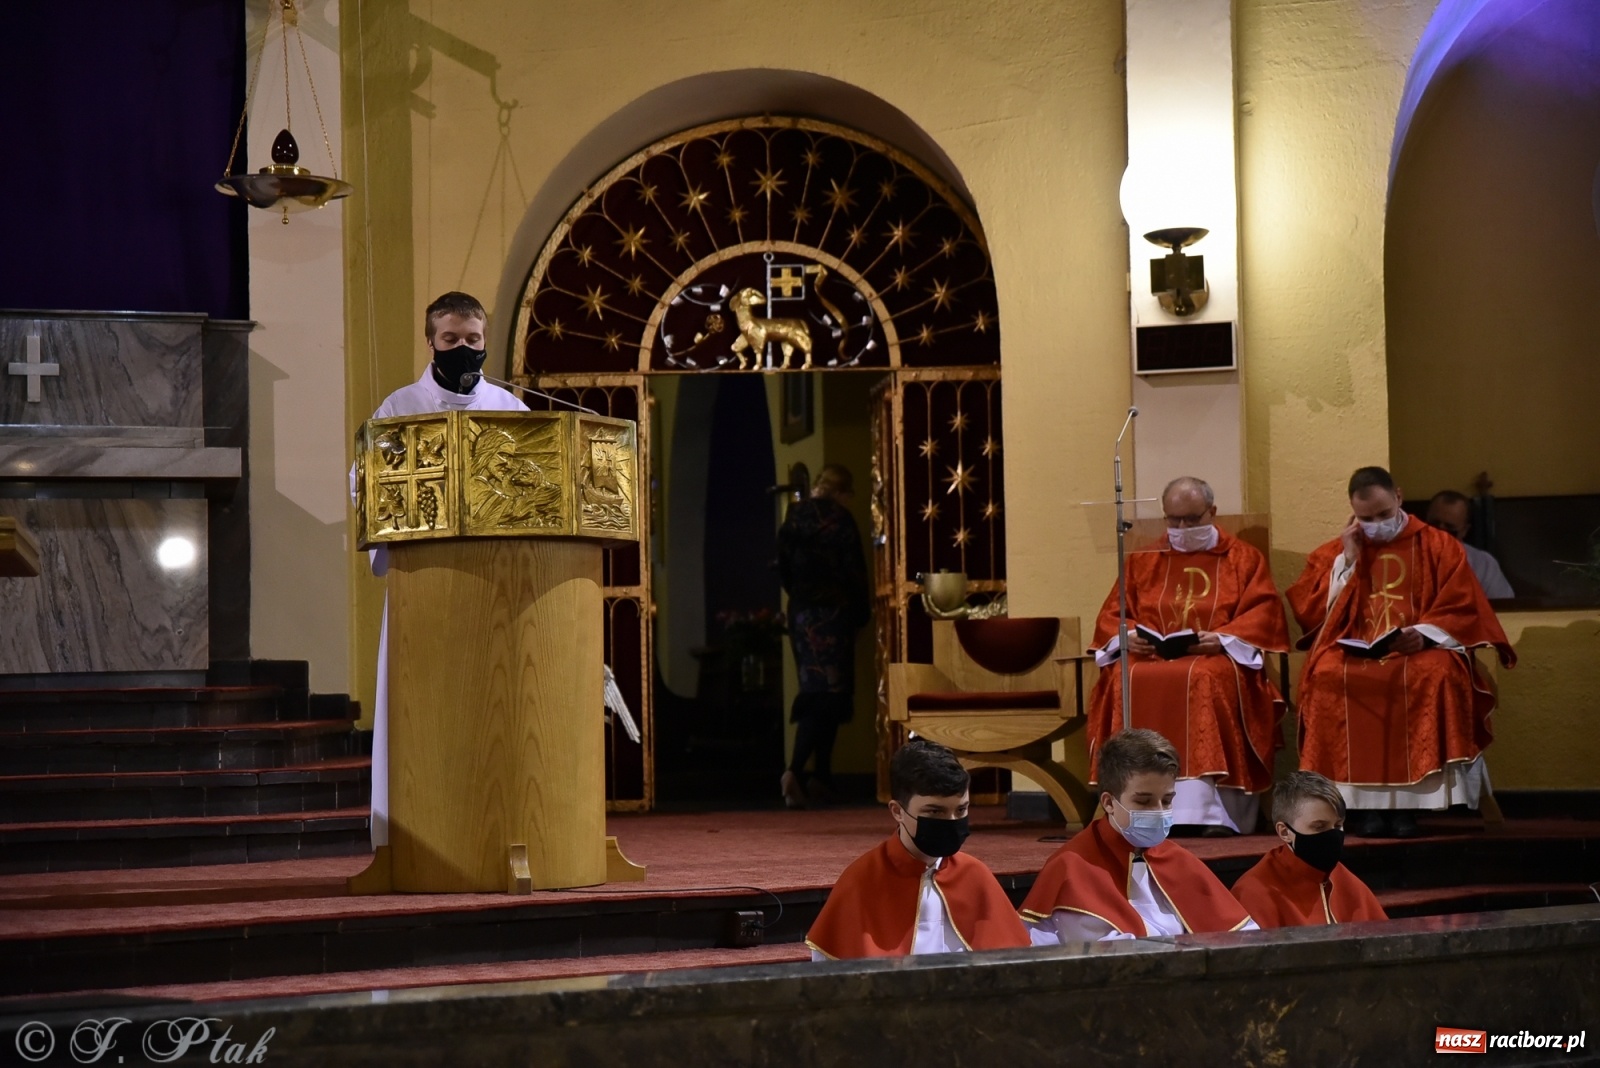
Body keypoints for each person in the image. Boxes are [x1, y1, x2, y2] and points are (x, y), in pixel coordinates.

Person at [350, 291, 527, 849]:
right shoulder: (399, 407)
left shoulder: (511, 409)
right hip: (422, 582)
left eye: (472, 340)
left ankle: (495, 827)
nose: (462, 349)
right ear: (431, 341)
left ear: (484, 341)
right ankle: (411, 833)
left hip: (496, 585)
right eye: (450, 340)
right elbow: (364, 483)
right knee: (422, 711)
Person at [1286, 467, 1516, 839]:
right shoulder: (1337, 551)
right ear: (1352, 512)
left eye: (1382, 514)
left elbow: (1462, 606)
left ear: (1399, 497)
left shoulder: (1439, 546)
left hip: (1419, 651)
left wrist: (1424, 634)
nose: (1375, 524)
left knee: (1437, 672)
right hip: (1356, 651)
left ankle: (1409, 808)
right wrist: (1347, 562)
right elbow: (1311, 614)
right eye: (1365, 518)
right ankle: (1359, 808)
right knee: (1327, 675)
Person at [1086, 476, 1290, 836]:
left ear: (1212, 512)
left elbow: (1264, 612)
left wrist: (1225, 638)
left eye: (1191, 520)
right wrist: (1131, 635)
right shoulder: (1144, 559)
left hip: (1215, 658)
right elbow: (1113, 613)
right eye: (1173, 520)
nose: (1181, 528)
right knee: (1124, 675)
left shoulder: (1242, 559)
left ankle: (1210, 813)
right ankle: (1133, 805)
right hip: (1152, 657)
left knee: (1202, 677)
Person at [1021, 729, 1256, 941]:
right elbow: (1106, 956)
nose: (1159, 812)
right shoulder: (1072, 868)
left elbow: (1246, 936)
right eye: (1143, 801)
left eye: (1167, 801)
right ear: (1109, 803)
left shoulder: (1178, 860)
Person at [805, 739, 1031, 959]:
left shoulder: (976, 876)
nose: (951, 821)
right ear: (897, 811)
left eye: (961, 810)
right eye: (934, 812)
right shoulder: (861, 881)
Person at [777, 464, 870, 808]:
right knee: (832, 693)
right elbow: (855, 571)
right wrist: (862, 614)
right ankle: (797, 771)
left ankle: (822, 777)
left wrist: (801, 598)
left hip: (802, 613)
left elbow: (783, 567)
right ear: (841, 491)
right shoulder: (841, 521)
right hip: (834, 613)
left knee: (815, 691)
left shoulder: (794, 517)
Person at [1229, 771, 1388, 927]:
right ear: (1285, 832)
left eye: (1338, 825)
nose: (1333, 835)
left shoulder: (1343, 879)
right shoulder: (1254, 892)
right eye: (1319, 827)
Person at [1426, 490, 1515, 599]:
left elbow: (1504, 607)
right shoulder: (1404, 556)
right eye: (1434, 525)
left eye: (1450, 529)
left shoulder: (1484, 564)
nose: (1439, 534)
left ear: (1464, 531)